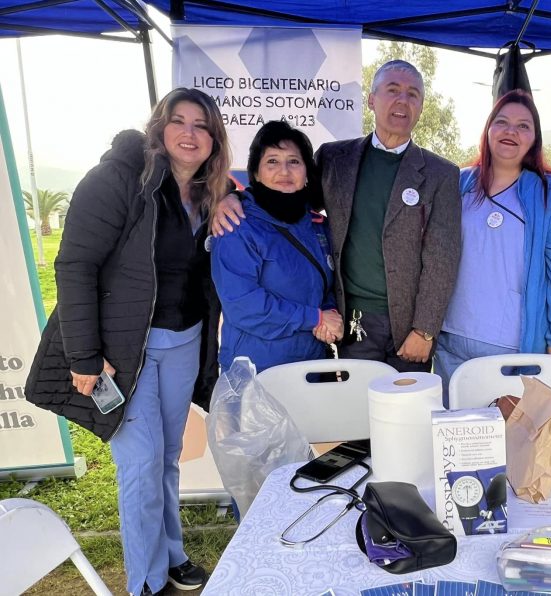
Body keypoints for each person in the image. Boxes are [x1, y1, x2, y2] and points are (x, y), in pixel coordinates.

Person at [25, 88, 229, 596]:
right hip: (123, 353)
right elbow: (74, 266)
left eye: (200, 125)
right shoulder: (118, 179)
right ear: (158, 126)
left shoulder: (206, 195)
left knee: (166, 456)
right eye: (177, 120)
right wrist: (84, 356)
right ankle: (145, 581)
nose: (189, 132)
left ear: (213, 139)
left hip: (184, 342)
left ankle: (173, 554)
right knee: (139, 465)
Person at [214, 60, 461, 373]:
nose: (402, 100)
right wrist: (233, 197)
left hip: (409, 327)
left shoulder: (442, 174)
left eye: (413, 94)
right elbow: (289, 196)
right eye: (393, 90)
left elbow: (443, 257)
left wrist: (425, 329)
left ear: (421, 106)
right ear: (372, 99)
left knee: (404, 415)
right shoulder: (334, 158)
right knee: (354, 413)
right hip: (352, 320)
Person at [434, 90, 551, 404]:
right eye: (501, 122)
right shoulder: (458, 183)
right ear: (488, 130)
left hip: (514, 349)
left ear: (535, 138)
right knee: (460, 440)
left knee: (516, 444)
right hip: (450, 343)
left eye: (523, 126)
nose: (510, 131)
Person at [211, 121, 342, 372]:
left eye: (294, 161)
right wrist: (313, 318)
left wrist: (329, 312)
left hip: (311, 367)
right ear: (256, 172)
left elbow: (327, 285)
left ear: (306, 173)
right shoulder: (235, 224)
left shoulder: (319, 227)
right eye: (272, 161)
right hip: (257, 372)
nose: (284, 171)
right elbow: (243, 306)